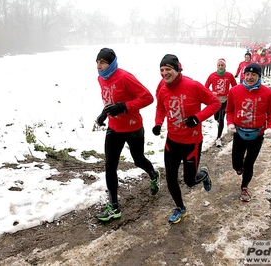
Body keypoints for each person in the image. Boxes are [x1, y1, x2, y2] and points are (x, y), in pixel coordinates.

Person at [153, 54, 221, 224]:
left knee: (190, 181)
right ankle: (180, 208)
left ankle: (203, 174)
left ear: (177, 69)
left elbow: (215, 103)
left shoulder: (193, 85)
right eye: (162, 70)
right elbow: (160, 108)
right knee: (170, 179)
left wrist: (197, 118)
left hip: (191, 143)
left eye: (168, 69)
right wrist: (158, 123)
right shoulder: (162, 89)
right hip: (172, 142)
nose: (164, 73)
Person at [94, 48, 161, 222]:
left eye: (102, 62)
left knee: (138, 160)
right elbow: (110, 101)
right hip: (114, 128)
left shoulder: (124, 77)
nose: (99, 65)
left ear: (112, 63)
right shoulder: (101, 79)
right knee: (110, 166)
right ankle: (114, 207)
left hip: (133, 128)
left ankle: (153, 175)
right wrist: (103, 114)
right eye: (97, 62)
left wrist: (124, 107)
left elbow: (147, 97)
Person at [226, 63, 271, 202]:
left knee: (249, 163)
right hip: (239, 132)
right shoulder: (234, 91)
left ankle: (244, 188)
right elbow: (229, 110)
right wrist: (230, 123)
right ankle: (239, 167)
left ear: (259, 76)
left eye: (253, 75)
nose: (249, 77)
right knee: (236, 163)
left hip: (257, 134)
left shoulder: (268, 94)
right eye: (247, 74)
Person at [205, 58, 237, 147]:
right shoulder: (212, 76)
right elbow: (205, 87)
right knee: (216, 118)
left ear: (225, 66)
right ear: (217, 66)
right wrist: (212, 93)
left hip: (225, 100)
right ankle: (218, 121)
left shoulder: (229, 75)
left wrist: (230, 93)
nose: (220, 67)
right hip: (215, 101)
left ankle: (218, 138)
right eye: (219, 65)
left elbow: (235, 87)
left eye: (222, 65)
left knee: (222, 117)